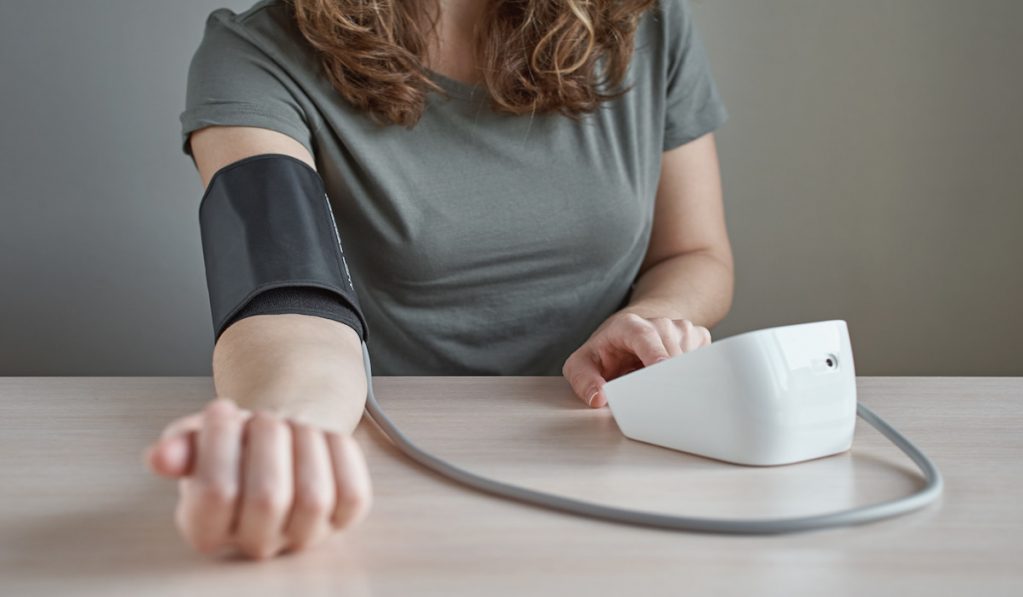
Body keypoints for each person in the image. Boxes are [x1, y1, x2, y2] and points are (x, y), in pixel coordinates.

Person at [144, 0, 734, 560]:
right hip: (391, 459)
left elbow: (695, 253)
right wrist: (294, 427)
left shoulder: (644, 22)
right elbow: (285, 295)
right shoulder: (255, 54)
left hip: (612, 441)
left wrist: (651, 320)